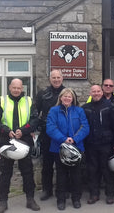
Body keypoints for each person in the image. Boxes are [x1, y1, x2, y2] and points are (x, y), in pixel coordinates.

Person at [0, 78, 41, 213]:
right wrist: (7, 131)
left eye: (19, 88)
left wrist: (24, 130)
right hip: (6, 141)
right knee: (5, 173)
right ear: (9, 88)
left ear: (22, 88)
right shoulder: (1, 101)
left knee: (28, 172)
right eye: (14, 87)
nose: (17, 90)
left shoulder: (29, 101)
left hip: (24, 140)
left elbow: (35, 119)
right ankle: (3, 201)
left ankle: (30, 199)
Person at [46, 88, 89, 210]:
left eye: (69, 97)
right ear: (60, 98)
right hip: (58, 148)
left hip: (76, 147)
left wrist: (74, 139)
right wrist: (64, 139)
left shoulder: (79, 111)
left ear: (73, 99)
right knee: (61, 175)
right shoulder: (54, 111)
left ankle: (76, 199)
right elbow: (50, 128)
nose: (67, 98)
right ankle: (61, 200)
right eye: (65, 96)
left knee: (76, 175)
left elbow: (85, 127)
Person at [82, 85, 114, 205]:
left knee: (107, 170)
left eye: (98, 91)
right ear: (90, 93)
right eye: (94, 91)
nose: (96, 93)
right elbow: (82, 126)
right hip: (90, 144)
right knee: (92, 170)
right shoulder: (85, 108)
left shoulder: (110, 106)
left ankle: (110, 194)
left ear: (102, 92)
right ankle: (94, 194)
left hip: (107, 143)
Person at [35, 69, 65, 201]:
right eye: (54, 77)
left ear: (62, 78)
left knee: (63, 164)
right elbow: (35, 113)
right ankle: (47, 190)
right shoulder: (42, 94)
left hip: (63, 134)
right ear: (50, 79)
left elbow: (74, 111)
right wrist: (33, 130)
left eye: (58, 77)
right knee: (47, 164)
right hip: (46, 134)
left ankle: (62, 190)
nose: (56, 80)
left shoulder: (68, 93)